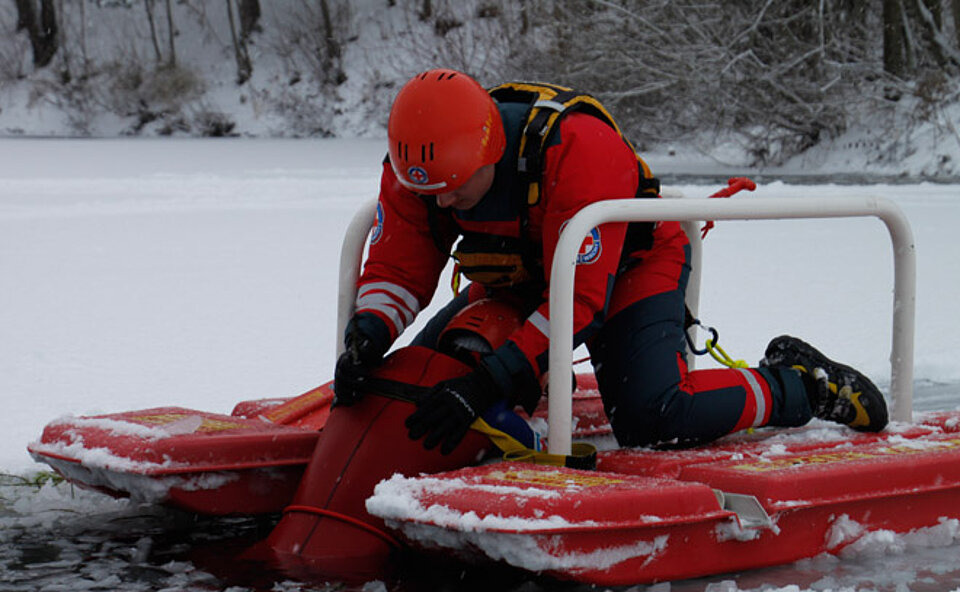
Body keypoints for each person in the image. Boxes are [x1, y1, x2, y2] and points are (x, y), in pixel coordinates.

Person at [334, 68, 888, 455]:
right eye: (430, 192)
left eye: (455, 190)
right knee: (423, 377)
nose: (442, 203)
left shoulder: (576, 149)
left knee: (653, 420)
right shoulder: (420, 170)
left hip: (628, 268)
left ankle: (802, 384)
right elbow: (397, 269)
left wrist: (486, 384)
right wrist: (368, 335)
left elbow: (576, 301)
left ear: (489, 154)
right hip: (524, 274)